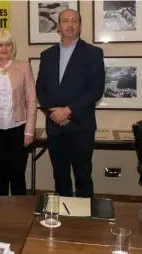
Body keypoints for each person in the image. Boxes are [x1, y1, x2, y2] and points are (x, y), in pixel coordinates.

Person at [36, 9, 105, 198]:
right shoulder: (47, 55)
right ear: (58, 26)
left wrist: (68, 111)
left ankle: (85, 223)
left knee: (83, 177)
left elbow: (95, 90)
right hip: (55, 127)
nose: (70, 25)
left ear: (80, 26)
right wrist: (54, 114)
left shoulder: (93, 53)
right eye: (65, 21)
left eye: (74, 21)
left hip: (81, 127)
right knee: (60, 178)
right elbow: (40, 89)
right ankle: (64, 221)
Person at [0, 29, 37, 196]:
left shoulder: (24, 67)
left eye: (8, 45)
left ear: (13, 47)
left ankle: (20, 219)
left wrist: (29, 130)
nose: (4, 49)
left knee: (17, 176)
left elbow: (31, 101)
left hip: (18, 129)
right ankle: (1, 217)